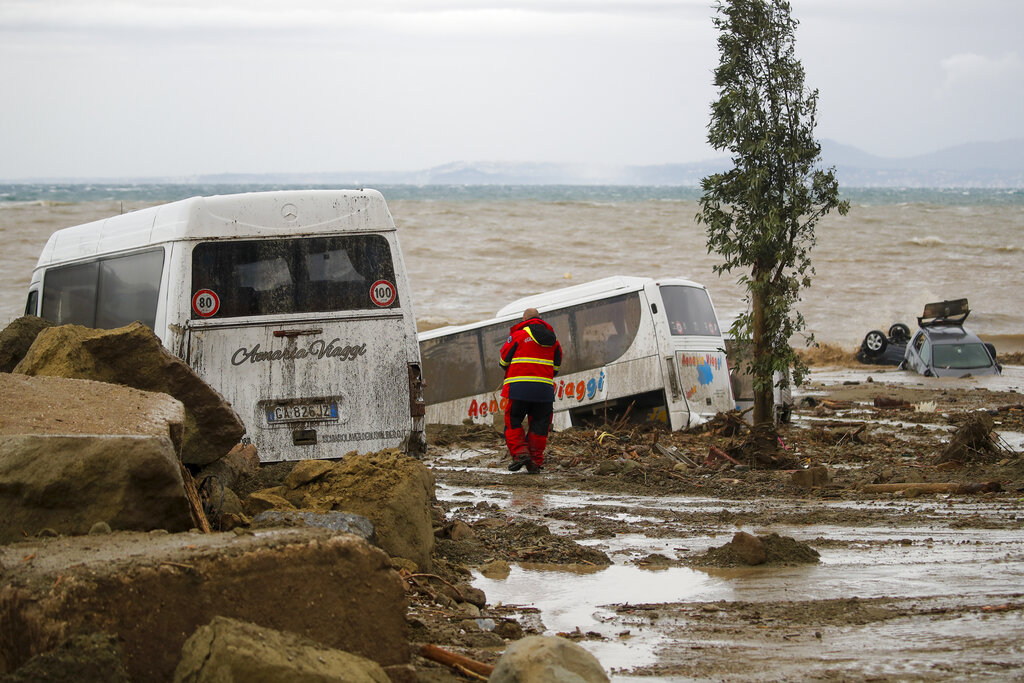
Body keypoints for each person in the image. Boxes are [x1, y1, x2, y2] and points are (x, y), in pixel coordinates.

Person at [499, 307, 562, 474]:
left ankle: (520, 454)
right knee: (540, 426)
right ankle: (534, 460)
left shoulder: (518, 336)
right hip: (544, 391)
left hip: (519, 389)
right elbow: (556, 367)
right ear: (540, 319)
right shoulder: (554, 340)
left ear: (524, 319)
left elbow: (503, 361)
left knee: (513, 420)